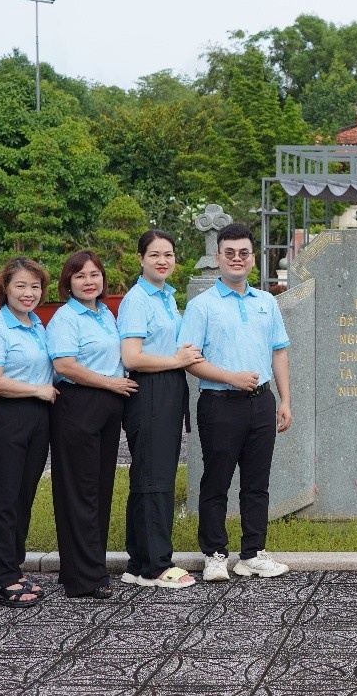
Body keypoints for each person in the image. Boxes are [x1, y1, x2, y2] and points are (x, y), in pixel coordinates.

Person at [181, 223, 293, 581]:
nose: (236, 259)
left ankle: (253, 553)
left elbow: (279, 354)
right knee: (216, 480)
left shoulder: (266, 303)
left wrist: (285, 400)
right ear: (218, 257)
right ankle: (214, 554)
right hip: (219, 404)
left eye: (243, 253)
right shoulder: (202, 306)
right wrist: (230, 377)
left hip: (262, 402)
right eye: (229, 252)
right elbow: (190, 359)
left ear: (252, 259)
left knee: (257, 482)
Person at [47, 250, 136, 600]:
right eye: (80, 276)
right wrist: (111, 383)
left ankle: (83, 568)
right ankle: (83, 579)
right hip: (79, 405)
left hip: (106, 407)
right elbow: (66, 365)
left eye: (94, 274)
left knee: (98, 491)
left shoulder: (104, 314)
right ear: (68, 282)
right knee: (79, 493)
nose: (89, 281)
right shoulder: (66, 318)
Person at [118, 230, 203, 589]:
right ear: (140, 259)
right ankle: (156, 566)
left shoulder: (166, 297)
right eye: (154, 254)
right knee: (154, 479)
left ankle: (138, 562)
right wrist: (175, 360)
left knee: (151, 475)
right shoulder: (138, 299)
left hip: (167, 386)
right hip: (150, 388)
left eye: (168, 254)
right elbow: (131, 357)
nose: (162, 260)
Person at [0, 257, 57, 608]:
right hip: (5, 418)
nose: (29, 293)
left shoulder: (38, 326)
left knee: (24, 496)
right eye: (21, 286)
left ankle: (15, 568)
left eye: (35, 286)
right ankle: (3, 578)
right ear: (5, 288)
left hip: (38, 419)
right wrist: (37, 390)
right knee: (3, 499)